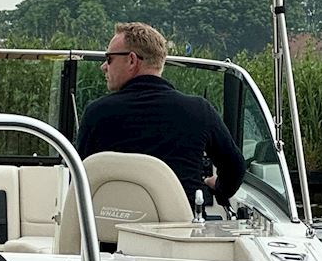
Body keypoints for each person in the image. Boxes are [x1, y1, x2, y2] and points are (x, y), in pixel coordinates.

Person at [75, 22, 245, 209]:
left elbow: (79, 180)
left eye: (109, 59)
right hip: (179, 235)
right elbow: (235, 168)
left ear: (132, 60)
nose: (103, 67)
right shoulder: (199, 110)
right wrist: (218, 188)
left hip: (113, 234)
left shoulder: (96, 113)